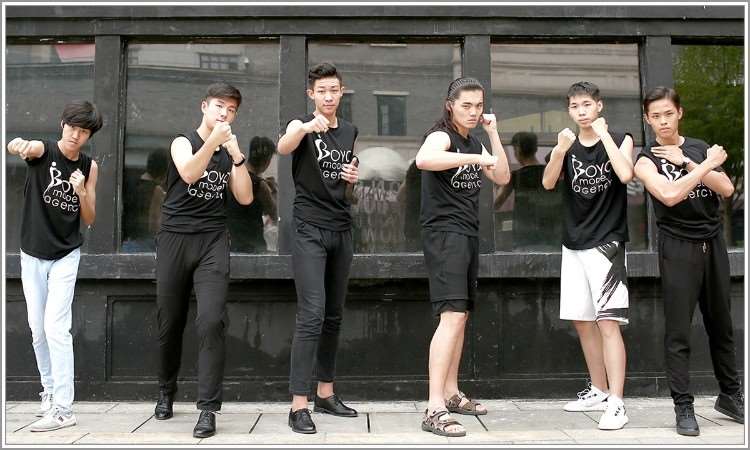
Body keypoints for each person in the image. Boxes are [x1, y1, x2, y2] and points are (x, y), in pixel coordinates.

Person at [634, 86, 744, 436]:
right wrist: (706, 165)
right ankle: (683, 406)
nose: (663, 121)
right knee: (679, 331)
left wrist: (690, 161)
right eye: (656, 116)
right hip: (678, 247)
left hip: (713, 243)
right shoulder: (645, 160)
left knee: (722, 326)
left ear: (679, 113)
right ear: (647, 119)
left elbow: (726, 189)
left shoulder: (697, 147)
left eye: (668, 113)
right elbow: (669, 195)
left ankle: (730, 396)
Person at [153, 82, 252, 438]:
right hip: (175, 239)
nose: (225, 113)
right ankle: (166, 389)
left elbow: (244, 198)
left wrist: (237, 156)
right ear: (204, 106)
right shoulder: (183, 142)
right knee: (170, 322)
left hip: (213, 240)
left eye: (231, 109)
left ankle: (208, 408)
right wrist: (213, 143)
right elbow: (189, 173)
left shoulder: (228, 151)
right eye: (219, 106)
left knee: (211, 321)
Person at [416, 77, 510, 437]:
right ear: (450, 105)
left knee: (461, 316)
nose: (473, 112)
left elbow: (502, 175)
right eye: (466, 105)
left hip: (467, 234)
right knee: (452, 316)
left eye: (478, 105)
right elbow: (424, 159)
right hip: (445, 235)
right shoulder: (442, 136)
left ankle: (452, 393)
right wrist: (474, 157)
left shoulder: (474, 139)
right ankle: (434, 407)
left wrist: (493, 134)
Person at [541, 81, 634, 430]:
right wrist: (559, 151)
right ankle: (598, 388)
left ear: (599, 106)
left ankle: (617, 402)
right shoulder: (568, 144)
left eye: (586, 105)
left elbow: (625, 173)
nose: (581, 112)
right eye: (574, 106)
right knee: (582, 320)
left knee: (608, 322)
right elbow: (548, 183)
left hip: (607, 244)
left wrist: (604, 135)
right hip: (573, 242)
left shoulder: (620, 137)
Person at [6, 100, 102, 432]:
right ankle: (48, 392)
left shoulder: (89, 166)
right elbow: (23, 146)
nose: (76, 135)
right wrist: (17, 144)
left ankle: (63, 409)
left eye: (84, 131)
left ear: (89, 136)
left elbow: (89, 218)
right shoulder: (43, 151)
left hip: (66, 254)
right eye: (73, 127)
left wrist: (81, 192)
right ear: (63, 124)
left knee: (56, 329)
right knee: (37, 329)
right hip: (32, 252)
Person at [277, 62, 360, 434]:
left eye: (334, 90)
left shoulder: (350, 131)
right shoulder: (301, 126)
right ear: (311, 94)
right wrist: (306, 127)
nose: (328, 96)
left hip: (341, 228)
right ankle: (298, 405)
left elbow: (344, 187)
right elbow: (283, 146)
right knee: (311, 314)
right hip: (308, 228)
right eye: (321, 91)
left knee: (333, 316)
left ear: (341, 92)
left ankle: (326, 393)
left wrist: (351, 179)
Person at [493, 131, 561, 250]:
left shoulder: (515, 176)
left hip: (524, 240)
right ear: (535, 149)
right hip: (552, 238)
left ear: (517, 149)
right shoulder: (553, 174)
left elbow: (495, 203)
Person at [226, 136, 278, 253]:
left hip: (232, 242)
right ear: (266, 160)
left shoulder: (233, 177)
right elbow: (275, 214)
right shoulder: (259, 185)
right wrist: (274, 192)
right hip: (253, 244)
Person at [122, 149, 168, 251]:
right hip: (146, 243)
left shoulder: (130, 185)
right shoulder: (157, 190)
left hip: (127, 241)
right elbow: (154, 224)